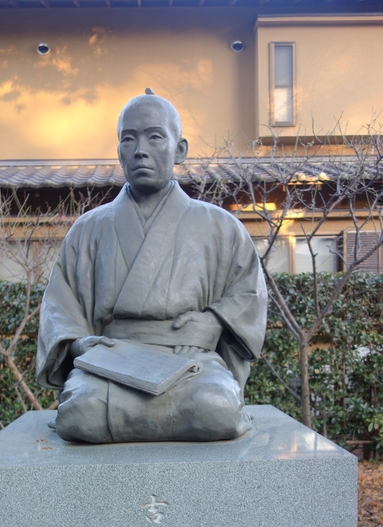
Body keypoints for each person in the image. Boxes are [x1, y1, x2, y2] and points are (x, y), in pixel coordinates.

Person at [36, 91, 267, 443]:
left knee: (215, 407)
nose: (140, 149)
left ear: (180, 149)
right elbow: (60, 304)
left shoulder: (220, 226)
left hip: (190, 362)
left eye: (154, 136)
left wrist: (214, 321)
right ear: (119, 152)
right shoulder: (89, 228)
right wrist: (81, 344)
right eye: (129, 139)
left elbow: (248, 292)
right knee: (80, 414)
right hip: (112, 363)